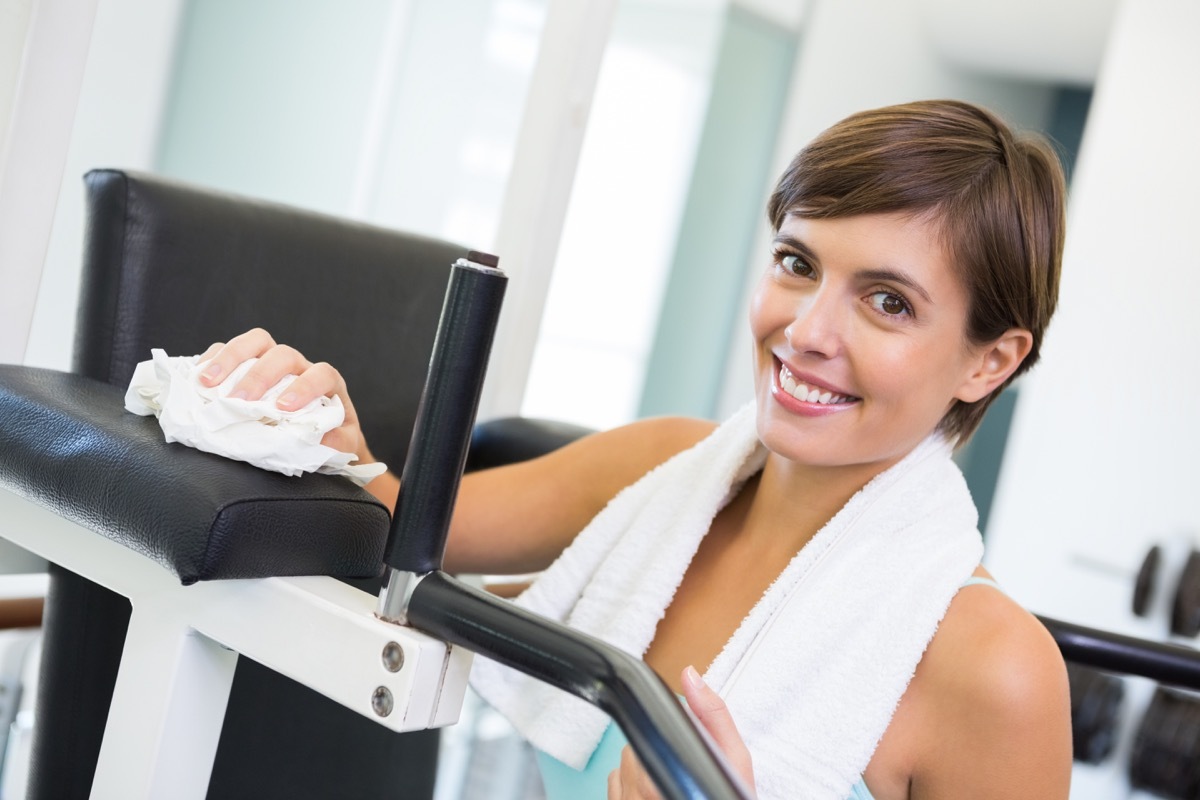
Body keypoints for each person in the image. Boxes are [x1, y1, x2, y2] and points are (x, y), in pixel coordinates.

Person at [197, 99, 1072, 799]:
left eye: (888, 302)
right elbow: (402, 525)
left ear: (990, 361)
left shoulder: (998, 674)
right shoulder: (661, 470)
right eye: (798, 263)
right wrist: (323, 426)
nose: (804, 331)